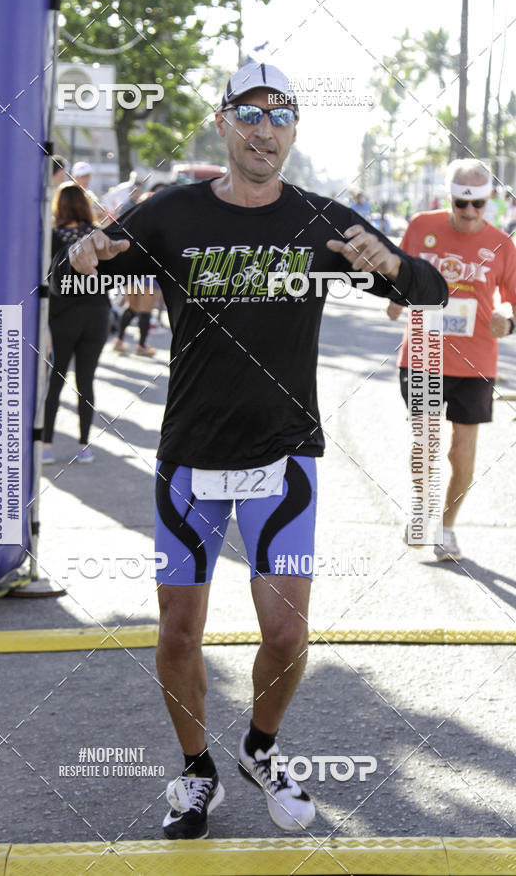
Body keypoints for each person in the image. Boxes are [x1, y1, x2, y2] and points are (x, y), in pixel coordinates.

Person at [53, 63, 447, 840]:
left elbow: (430, 293)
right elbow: (67, 279)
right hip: (191, 451)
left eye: (281, 116)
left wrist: (395, 267)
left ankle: (260, 748)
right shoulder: (169, 214)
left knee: (288, 633)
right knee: (176, 632)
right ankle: (195, 768)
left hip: (284, 450)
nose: (266, 130)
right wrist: (79, 256)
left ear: (295, 129)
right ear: (225, 123)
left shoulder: (321, 219)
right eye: (250, 115)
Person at [387, 158, 516, 560]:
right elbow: (397, 273)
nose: (469, 213)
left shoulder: (502, 244)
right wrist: (394, 299)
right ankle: (424, 509)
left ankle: (447, 525)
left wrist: (506, 321)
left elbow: (513, 302)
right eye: (461, 203)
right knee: (425, 442)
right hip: (423, 354)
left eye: (478, 204)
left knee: (461, 454)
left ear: (490, 199)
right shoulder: (420, 227)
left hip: (476, 362)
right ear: (449, 197)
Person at [43, 182, 110, 465]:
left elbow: (47, 277)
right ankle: (84, 445)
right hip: (97, 313)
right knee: (86, 380)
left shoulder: (53, 236)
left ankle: (46, 445)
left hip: (62, 315)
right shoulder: (98, 235)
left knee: (54, 381)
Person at [112, 191, 157, 357]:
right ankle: (141, 345)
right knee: (144, 310)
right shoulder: (156, 224)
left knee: (132, 307)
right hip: (146, 273)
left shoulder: (130, 221)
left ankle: (119, 340)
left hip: (130, 271)